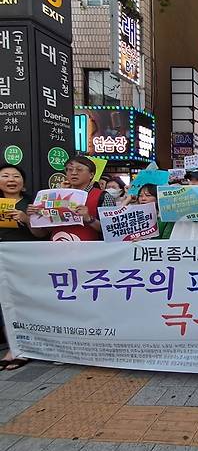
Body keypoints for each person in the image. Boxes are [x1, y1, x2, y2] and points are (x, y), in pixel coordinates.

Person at [0, 164, 40, 371]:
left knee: (25, 301)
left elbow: (41, 234)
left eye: (16, 176)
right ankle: (13, 347)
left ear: (23, 182)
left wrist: (26, 219)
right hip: (2, 260)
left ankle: (27, 346)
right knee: (5, 304)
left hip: (25, 260)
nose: (11, 179)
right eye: (5, 176)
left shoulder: (32, 204)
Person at [27, 156, 116, 241]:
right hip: (58, 248)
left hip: (91, 249)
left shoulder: (103, 196)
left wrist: (89, 218)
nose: (74, 173)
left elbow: (112, 230)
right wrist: (33, 217)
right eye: (70, 169)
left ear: (91, 175)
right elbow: (42, 234)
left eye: (79, 169)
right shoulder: (55, 196)